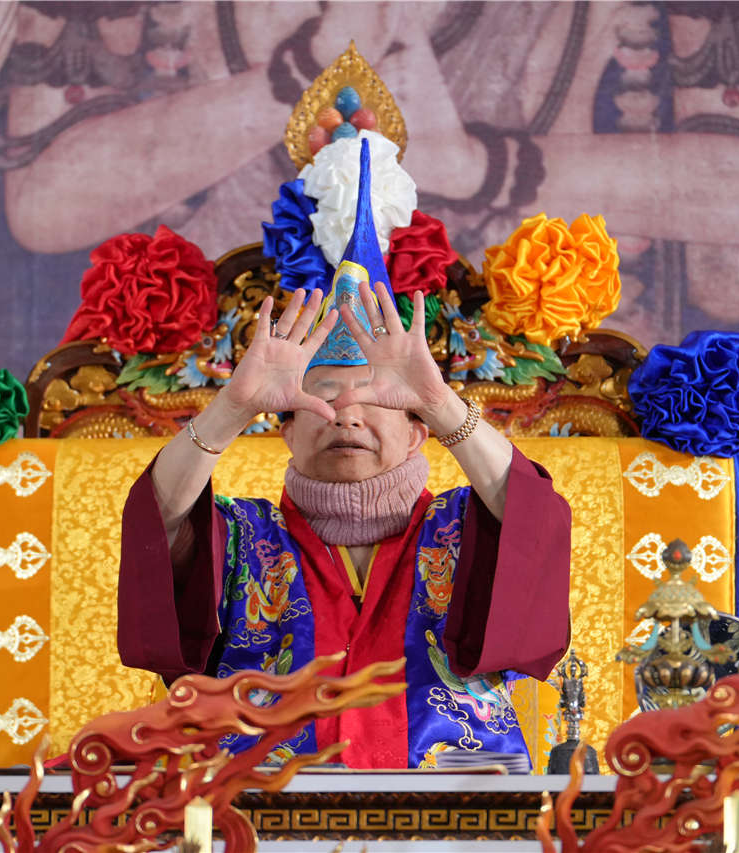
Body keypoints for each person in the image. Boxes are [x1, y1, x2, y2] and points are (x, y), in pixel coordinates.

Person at [118, 140, 571, 770]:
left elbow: (537, 521)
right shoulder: (243, 536)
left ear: (417, 432)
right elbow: (155, 521)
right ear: (285, 431)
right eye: (324, 394)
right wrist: (232, 407)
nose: (347, 412)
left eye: (376, 397)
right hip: (262, 803)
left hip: (454, 800)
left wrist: (439, 401)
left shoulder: (463, 525)